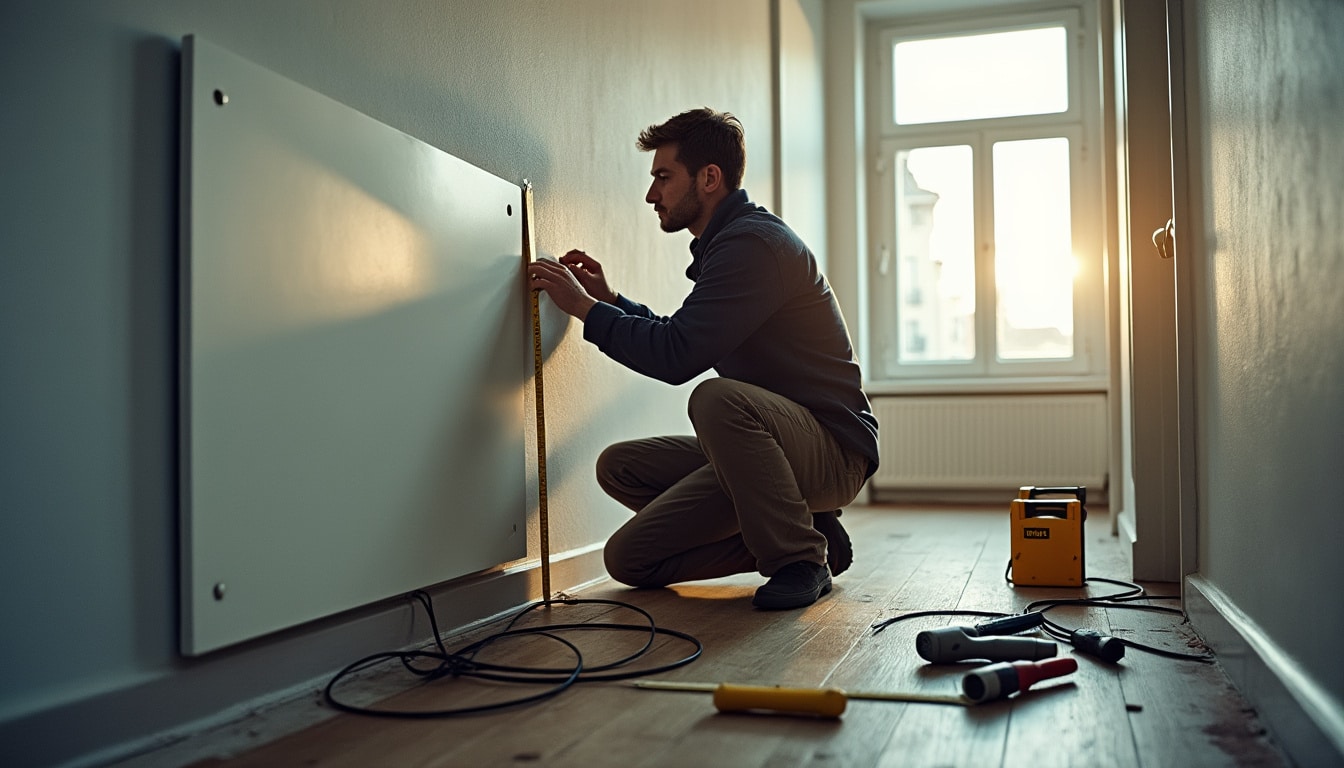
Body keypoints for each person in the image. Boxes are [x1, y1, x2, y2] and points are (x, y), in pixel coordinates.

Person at [528, 107, 879, 610]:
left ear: (709, 178)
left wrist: (584, 309)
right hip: (781, 447)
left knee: (716, 398)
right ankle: (808, 529)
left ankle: (798, 558)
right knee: (623, 497)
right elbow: (683, 334)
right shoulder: (730, 244)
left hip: (833, 450)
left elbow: (676, 357)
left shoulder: (755, 246)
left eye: (663, 177)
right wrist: (609, 301)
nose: (652, 195)